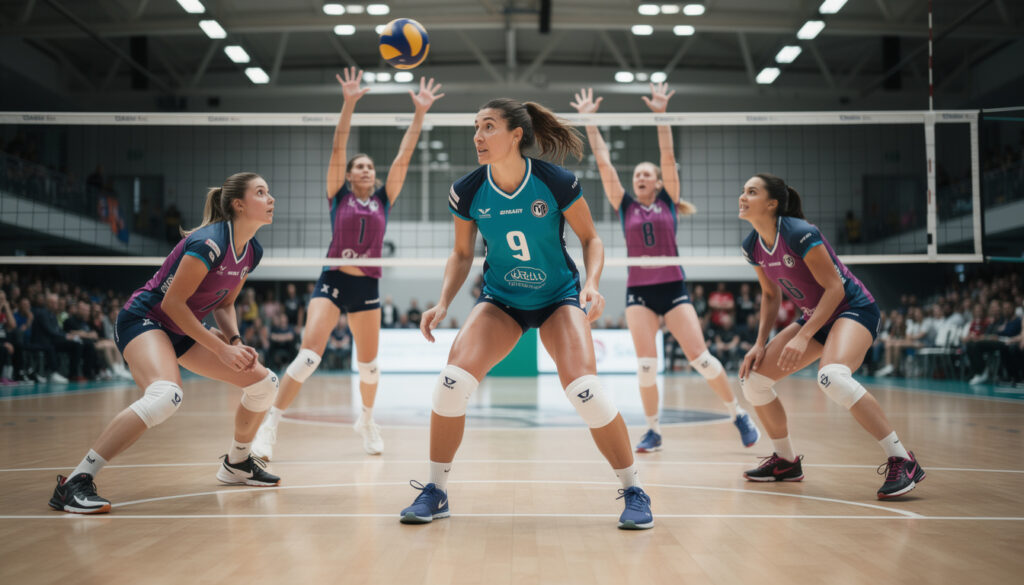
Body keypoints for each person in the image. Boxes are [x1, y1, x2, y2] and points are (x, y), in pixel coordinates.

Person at [398, 96, 653, 530]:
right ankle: (436, 489)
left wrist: (591, 284)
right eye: (476, 127)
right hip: (502, 300)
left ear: (516, 134)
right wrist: (443, 302)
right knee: (450, 382)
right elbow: (462, 254)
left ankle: (633, 488)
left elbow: (592, 239)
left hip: (558, 297)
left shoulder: (555, 181)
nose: (478, 136)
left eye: (489, 126)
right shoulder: (467, 189)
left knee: (584, 389)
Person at [47, 172, 281, 514]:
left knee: (264, 384)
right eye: (262, 192)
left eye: (269, 192)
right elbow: (172, 304)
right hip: (145, 320)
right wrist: (220, 348)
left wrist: (234, 341)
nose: (271, 198)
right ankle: (75, 483)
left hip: (182, 328)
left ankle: (238, 464)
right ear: (239, 204)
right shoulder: (209, 242)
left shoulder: (251, 251)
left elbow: (225, 302)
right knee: (165, 395)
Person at [251, 68, 444, 459]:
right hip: (334, 277)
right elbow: (338, 148)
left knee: (370, 367)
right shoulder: (338, 195)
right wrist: (349, 103)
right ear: (350, 174)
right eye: (360, 167)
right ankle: (270, 425)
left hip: (367, 286)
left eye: (370, 167)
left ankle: (367, 421)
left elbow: (404, 156)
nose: (366, 170)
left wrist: (420, 113)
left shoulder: (383, 200)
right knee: (308, 356)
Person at [571, 85, 759, 452]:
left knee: (702, 360)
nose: (640, 178)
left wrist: (662, 116)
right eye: (637, 175)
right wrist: (590, 123)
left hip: (673, 287)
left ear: (658, 182)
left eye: (647, 175)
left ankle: (738, 414)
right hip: (639, 291)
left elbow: (668, 155)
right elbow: (605, 164)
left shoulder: (669, 203)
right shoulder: (624, 205)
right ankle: (654, 430)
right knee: (645, 366)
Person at [737, 173, 925, 499]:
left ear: (771, 203)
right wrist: (758, 344)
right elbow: (770, 296)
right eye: (743, 191)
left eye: (751, 192)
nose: (742, 197)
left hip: (853, 309)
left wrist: (802, 335)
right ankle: (785, 461)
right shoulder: (752, 245)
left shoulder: (800, 233)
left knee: (832, 377)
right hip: (818, 318)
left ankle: (902, 459)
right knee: (752, 379)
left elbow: (835, 288)